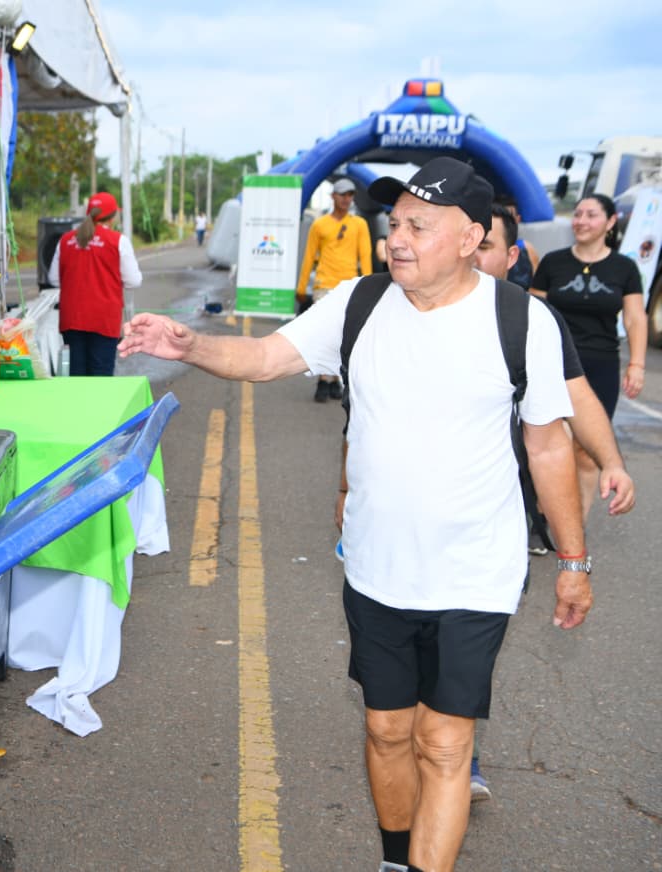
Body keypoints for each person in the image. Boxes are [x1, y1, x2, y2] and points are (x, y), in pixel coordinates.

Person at [120, 157, 591, 872]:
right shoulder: (359, 304)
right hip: (377, 567)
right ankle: (396, 859)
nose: (397, 238)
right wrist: (190, 345)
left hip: (476, 571)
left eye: (418, 226)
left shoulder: (521, 320)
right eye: (394, 223)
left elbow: (550, 445)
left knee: (445, 743)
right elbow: (266, 358)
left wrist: (572, 561)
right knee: (387, 732)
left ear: (470, 238)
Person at [332, 203, 636, 806]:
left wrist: (611, 462)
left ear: (500, 253)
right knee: (399, 704)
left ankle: (454, 751)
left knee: (450, 693)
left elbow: (570, 402)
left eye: (492, 245)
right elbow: (366, 423)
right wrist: (345, 492)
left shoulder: (520, 319)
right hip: (403, 535)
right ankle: (432, 750)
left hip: (499, 507)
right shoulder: (401, 309)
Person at [530, 193, 646, 521]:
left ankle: (573, 525)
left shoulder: (624, 268)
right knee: (551, 440)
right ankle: (542, 513)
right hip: (554, 363)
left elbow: (635, 318)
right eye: (577, 214)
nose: (580, 220)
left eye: (591, 215)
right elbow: (534, 311)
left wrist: (636, 364)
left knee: (586, 451)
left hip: (601, 364)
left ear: (610, 223)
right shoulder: (553, 262)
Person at [47, 191, 142, 376]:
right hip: (104, 319)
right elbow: (134, 281)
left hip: (72, 318)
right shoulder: (118, 241)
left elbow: (53, 279)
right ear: (113, 217)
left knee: (76, 374)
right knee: (101, 376)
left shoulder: (65, 240)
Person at [295, 178, 373, 401]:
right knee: (324, 335)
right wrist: (302, 287)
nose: (346, 199)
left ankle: (332, 381)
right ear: (333, 196)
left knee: (343, 337)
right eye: (342, 194)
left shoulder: (359, 224)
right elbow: (309, 257)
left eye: (350, 195)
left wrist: (368, 288)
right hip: (324, 285)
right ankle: (323, 382)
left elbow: (365, 256)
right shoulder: (319, 225)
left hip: (349, 286)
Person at [494, 194, 540, 289]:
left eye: (509, 217)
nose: (504, 223)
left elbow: (536, 286)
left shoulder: (527, 248)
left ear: (518, 219)